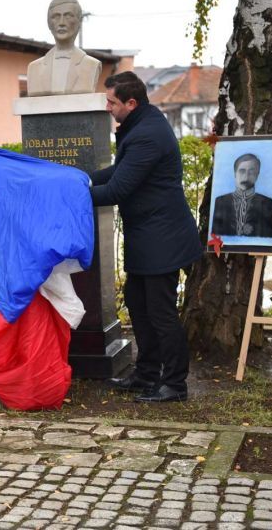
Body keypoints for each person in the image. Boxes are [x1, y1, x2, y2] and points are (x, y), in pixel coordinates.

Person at [89, 72, 202, 403]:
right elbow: (119, 171)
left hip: (162, 238)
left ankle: (175, 384)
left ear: (131, 103)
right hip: (148, 236)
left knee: (161, 313)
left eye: (111, 102)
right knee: (139, 306)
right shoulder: (143, 124)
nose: (107, 107)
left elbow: (119, 188)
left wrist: (71, 194)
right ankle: (147, 373)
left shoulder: (146, 134)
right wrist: (80, 179)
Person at [26, 0, 102, 96]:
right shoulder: (34, 68)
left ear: (79, 22)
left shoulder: (91, 65)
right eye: (56, 17)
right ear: (49, 23)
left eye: (68, 16)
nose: (61, 23)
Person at [211, 153, 272, 237]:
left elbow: (268, 237)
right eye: (242, 171)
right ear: (235, 173)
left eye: (251, 171)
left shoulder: (267, 203)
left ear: (257, 174)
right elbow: (216, 234)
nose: (246, 177)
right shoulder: (221, 201)